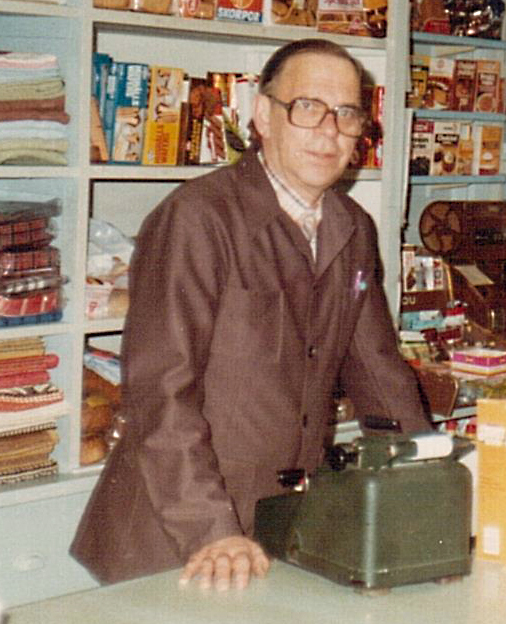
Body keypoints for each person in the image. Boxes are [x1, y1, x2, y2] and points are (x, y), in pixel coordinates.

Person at [71, 38, 431, 590]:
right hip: (177, 531)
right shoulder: (198, 218)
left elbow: (378, 371)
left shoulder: (352, 227)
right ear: (263, 115)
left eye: (348, 114)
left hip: (278, 520)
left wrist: (432, 477)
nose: (329, 132)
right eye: (307, 108)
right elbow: (160, 392)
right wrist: (211, 530)